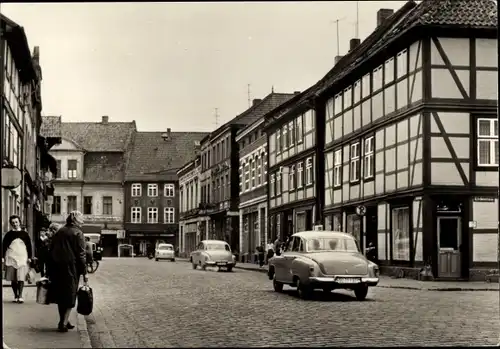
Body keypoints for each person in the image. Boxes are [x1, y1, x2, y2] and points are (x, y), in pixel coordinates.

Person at [49, 211, 88, 332]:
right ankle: (63, 323)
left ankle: (64, 320)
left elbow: (52, 249)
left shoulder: (60, 231)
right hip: (71, 268)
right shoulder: (78, 233)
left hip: (57, 267)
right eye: (81, 219)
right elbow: (81, 254)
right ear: (76, 220)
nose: (83, 221)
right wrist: (85, 272)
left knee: (61, 295)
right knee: (70, 295)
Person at [2, 215, 33, 304]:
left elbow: (29, 246)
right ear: (11, 224)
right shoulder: (8, 234)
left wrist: (30, 257)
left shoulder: (25, 234)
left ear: (19, 222)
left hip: (22, 258)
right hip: (11, 257)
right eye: (13, 223)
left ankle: (20, 296)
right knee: (13, 278)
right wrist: (2, 257)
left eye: (16, 222)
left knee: (21, 278)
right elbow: (4, 246)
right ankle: (15, 295)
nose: (15, 224)